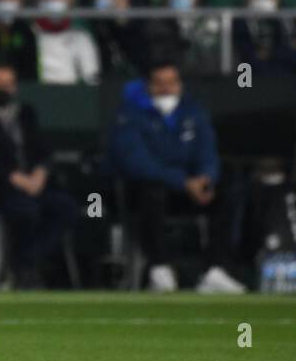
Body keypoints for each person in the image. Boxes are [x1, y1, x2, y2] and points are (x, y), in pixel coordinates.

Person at [106, 59, 247, 294]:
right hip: (145, 192)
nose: (166, 89)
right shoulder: (129, 115)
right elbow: (137, 163)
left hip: (187, 191)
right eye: (160, 84)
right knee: (151, 189)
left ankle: (215, 269)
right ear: (148, 85)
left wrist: (206, 179)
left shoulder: (193, 111)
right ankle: (160, 267)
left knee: (229, 184)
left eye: (171, 83)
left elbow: (208, 152)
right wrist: (183, 181)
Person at [0, 63, 78, 288]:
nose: (3, 89)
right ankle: (23, 269)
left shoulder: (26, 113)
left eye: (8, 85)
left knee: (66, 208)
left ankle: (24, 264)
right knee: (26, 211)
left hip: (36, 185)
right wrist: (11, 176)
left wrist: (40, 172)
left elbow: (42, 149)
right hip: (0, 189)